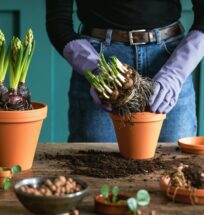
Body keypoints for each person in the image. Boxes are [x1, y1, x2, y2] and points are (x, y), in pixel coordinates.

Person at [46, 0, 204, 142]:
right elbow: (57, 21)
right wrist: (96, 69)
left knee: (177, 166)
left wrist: (175, 73)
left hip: (171, 61)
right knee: (92, 165)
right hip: (100, 60)